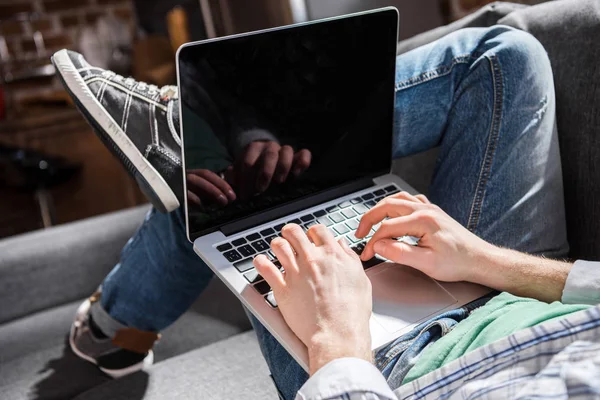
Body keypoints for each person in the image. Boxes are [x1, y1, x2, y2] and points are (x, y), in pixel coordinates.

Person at [52, 24, 600, 399]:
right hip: (523, 297)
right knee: (504, 58)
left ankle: (111, 328)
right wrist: (489, 263)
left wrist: (337, 340)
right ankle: (227, 138)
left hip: (397, 370)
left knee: (235, 203)